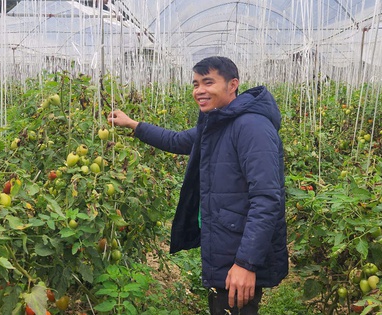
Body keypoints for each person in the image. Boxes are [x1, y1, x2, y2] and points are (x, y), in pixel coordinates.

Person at [108, 56, 288, 314]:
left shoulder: (252, 127)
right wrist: (134, 125)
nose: (199, 91)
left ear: (232, 84)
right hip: (225, 242)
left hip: (238, 252)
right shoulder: (220, 122)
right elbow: (178, 141)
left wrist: (246, 263)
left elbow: (267, 199)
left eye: (208, 82)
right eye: (195, 84)